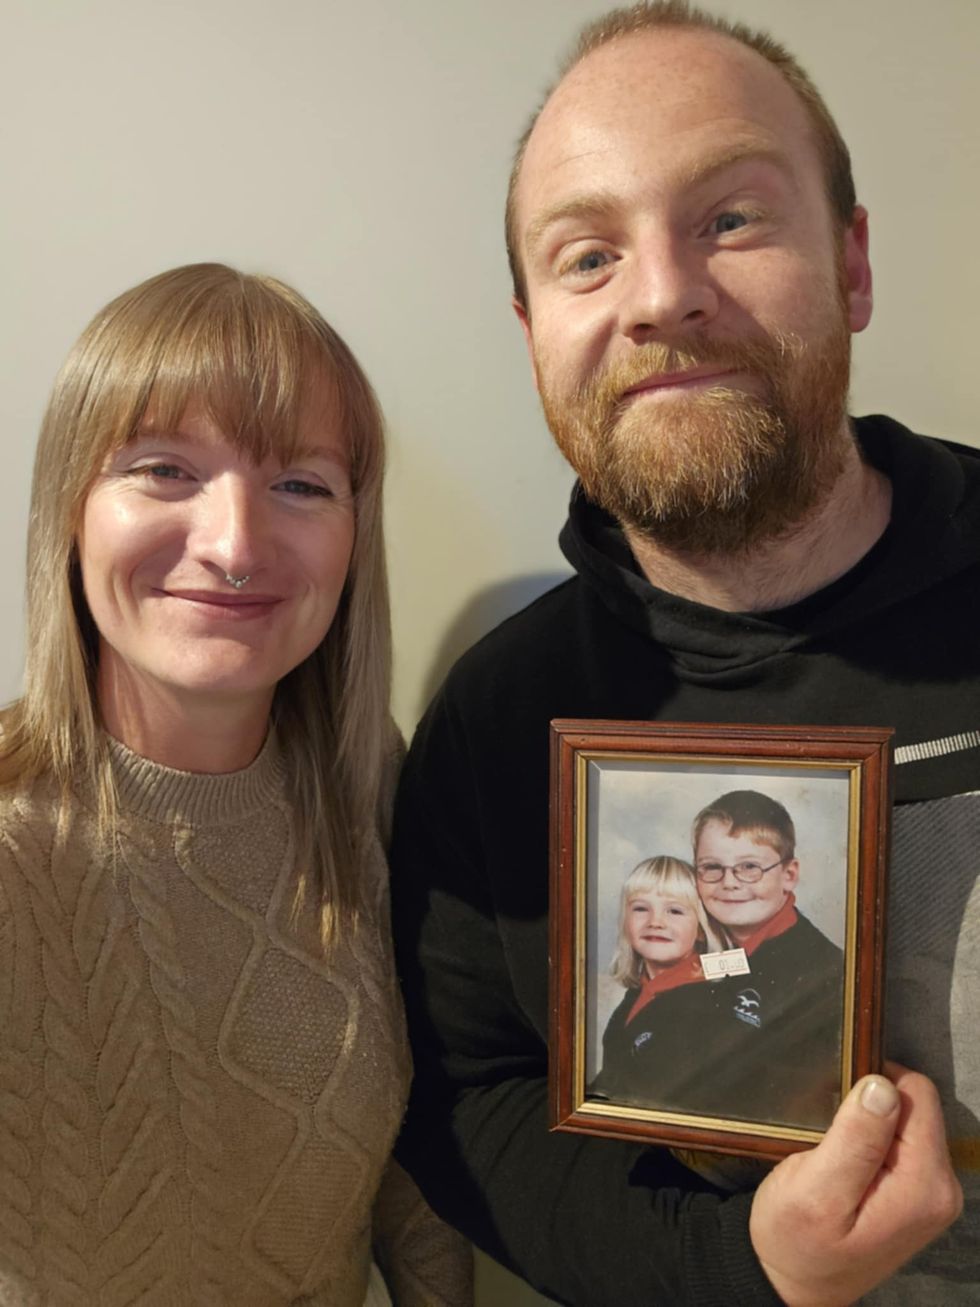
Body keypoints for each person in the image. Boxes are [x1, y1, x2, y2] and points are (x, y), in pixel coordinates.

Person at [389, 2, 973, 1304]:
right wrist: (738, 1266)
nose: (662, 294)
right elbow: (473, 1097)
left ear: (854, 263)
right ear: (531, 325)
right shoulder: (495, 720)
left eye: (730, 218)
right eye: (587, 256)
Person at [0, 263, 471, 1305]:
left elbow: (408, 1171)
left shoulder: (372, 787)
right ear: (69, 509)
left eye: (300, 484)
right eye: (164, 469)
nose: (233, 544)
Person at [690, 790, 843, 1129]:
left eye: (749, 867)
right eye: (712, 867)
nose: (730, 883)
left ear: (789, 874)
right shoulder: (687, 952)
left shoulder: (827, 975)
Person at [593, 854, 726, 1110]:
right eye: (641, 908)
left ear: (700, 928)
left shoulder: (706, 1005)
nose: (656, 922)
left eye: (674, 911)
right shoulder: (637, 993)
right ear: (626, 921)